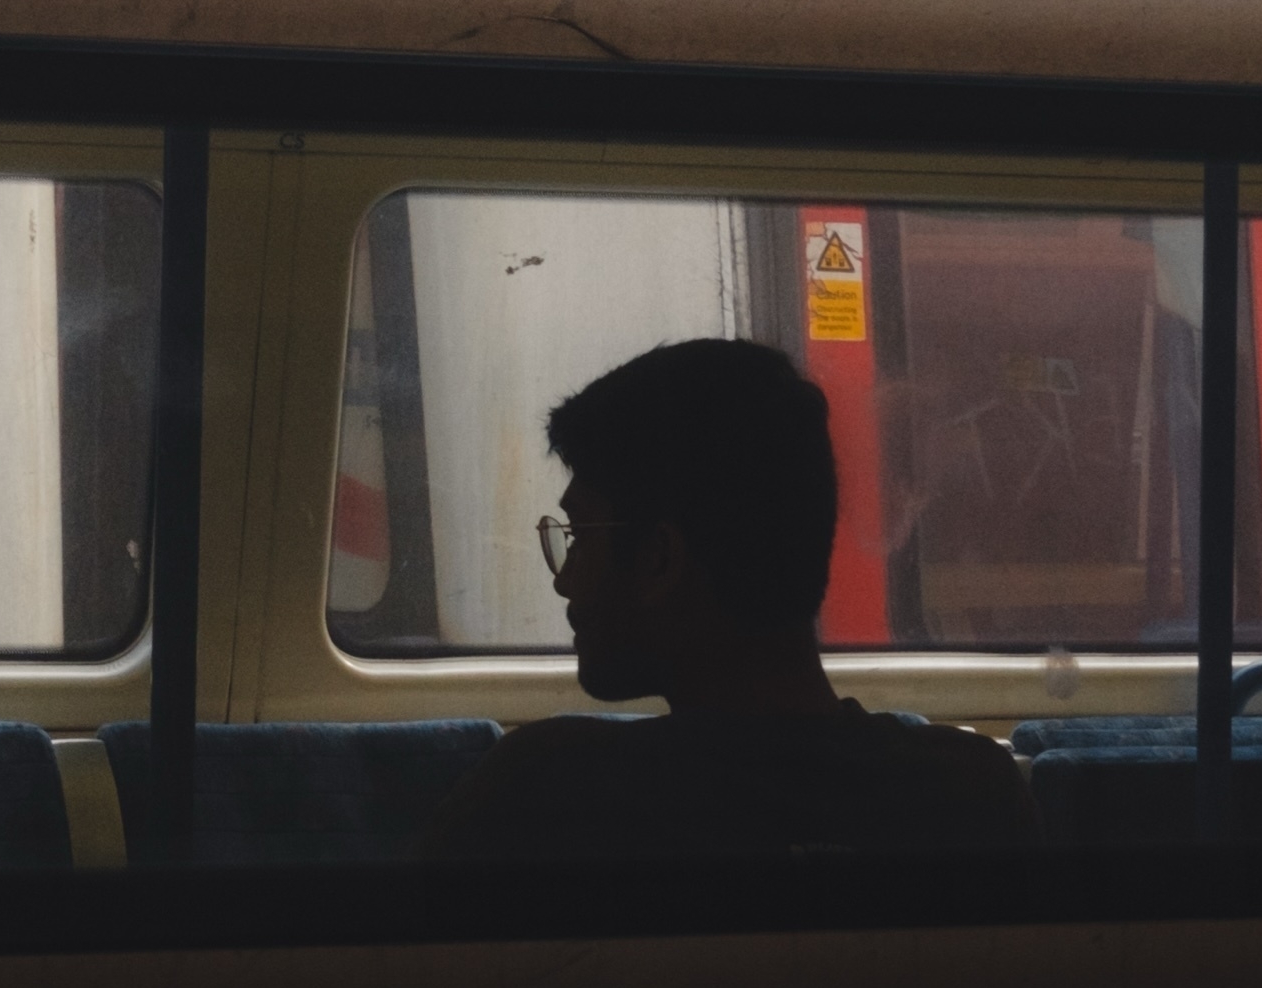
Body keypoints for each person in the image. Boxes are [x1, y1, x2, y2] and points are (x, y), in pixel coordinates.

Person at [423, 339, 1037, 859]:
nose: (564, 578)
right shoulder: (973, 792)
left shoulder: (539, 796)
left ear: (659, 559)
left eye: (580, 537)